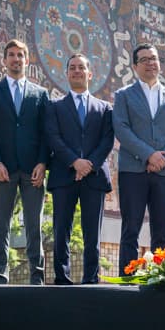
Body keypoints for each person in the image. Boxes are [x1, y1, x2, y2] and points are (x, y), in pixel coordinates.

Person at [112, 43, 165, 274]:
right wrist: (148, 155)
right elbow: (121, 128)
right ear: (135, 66)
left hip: (164, 173)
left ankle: (159, 277)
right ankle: (127, 277)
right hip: (133, 171)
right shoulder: (124, 95)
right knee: (130, 228)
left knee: (161, 231)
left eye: (153, 59)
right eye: (144, 60)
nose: (150, 64)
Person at [0, 39, 50, 284]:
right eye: (11, 54)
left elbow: (46, 132)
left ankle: (37, 275)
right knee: (1, 225)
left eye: (20, 55)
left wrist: (43, 163)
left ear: (27, 60)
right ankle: (0, 272)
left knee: (34, 225)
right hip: (4, 169)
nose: (16, 59)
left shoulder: (41, 94)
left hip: (33, 170)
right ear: (4, 60)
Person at [44, 54, 115, 284]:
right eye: (72, 68)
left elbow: (107, 140)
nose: (77, 71)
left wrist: (88, 164)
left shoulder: (105, 108)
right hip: (64, 174)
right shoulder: (54, 106)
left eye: (81, 68)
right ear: (67, 74)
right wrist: (75, 162)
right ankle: (61, 278)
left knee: (92, 233)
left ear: (89, 74)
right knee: (61, 230)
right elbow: (53, 137)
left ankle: (91, 279)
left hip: (94, 177)